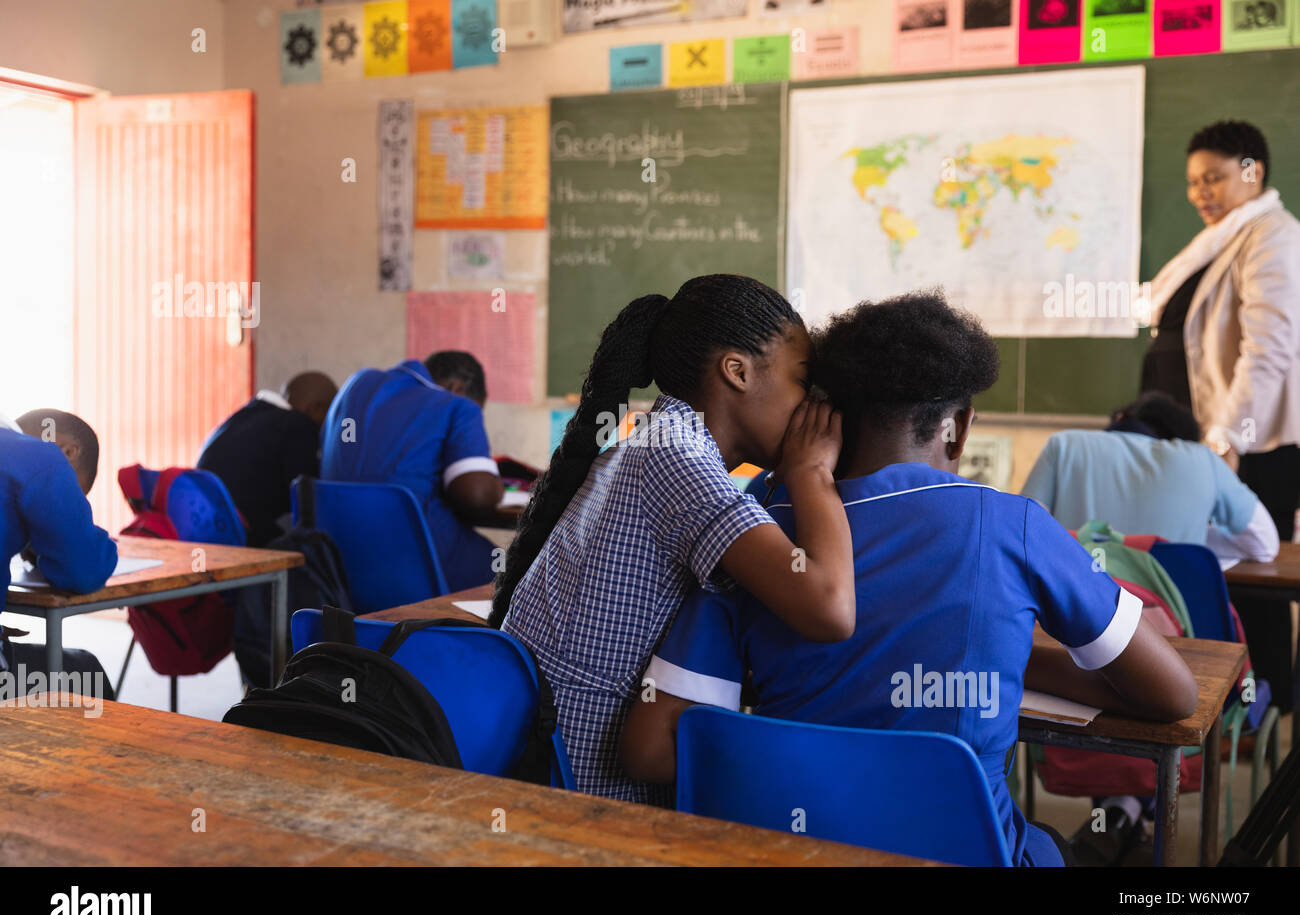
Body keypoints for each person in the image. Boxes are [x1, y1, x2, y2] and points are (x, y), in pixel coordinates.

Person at [620, 291, 1198, 865]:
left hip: (790, 851)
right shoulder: (1011, 524)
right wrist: (1004, 657)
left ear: (829, 417)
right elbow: (1173, 695)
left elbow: (651, 747)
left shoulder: (761, 534)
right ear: (960, 428)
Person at [490, 274, 856, 805]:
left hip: (549, 763)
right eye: (803, 381)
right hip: (585, 799)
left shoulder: (663, 439)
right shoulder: (677, 458)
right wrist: (812, 473)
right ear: (737, 371)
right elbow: (830, 607)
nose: (812, 407)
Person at [1140, 119, 1300, 712]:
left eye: (1213, 178)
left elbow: (1269, 349)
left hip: (1250, 445)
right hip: (1202, 443)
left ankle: (1264, 708)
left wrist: (1229, 437)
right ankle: (1226, 704)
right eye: (1192, 182)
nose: (1199, 193)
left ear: (1252, 172)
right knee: (1208, 573)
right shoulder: (1220, 240)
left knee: (1253, 582)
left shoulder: (1272, 235)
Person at [1021, 392, 1279, 565]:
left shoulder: (1064, 445)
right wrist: (1196, 539)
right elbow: (1264, 544)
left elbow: (1022, 533)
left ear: (1121, 418)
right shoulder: (1202, 459)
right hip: (1167, 626)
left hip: (1072, 621)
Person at [321, 350, 504, 592]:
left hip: (335, 565)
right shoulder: (459, 406)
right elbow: (476, 495)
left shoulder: (354, 387)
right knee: (504, 564)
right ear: (456, 388)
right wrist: (497, 488)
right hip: (413, 564)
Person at [0, 410, 119, 699]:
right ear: (68, 451)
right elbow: (84, 570)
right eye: (76, 495)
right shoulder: (40, 458)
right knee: (86, 673)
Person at [197, 372, 337, 547]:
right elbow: (307, 497)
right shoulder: (299, 425)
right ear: (316, 408)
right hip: (243, 537)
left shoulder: (244, 416)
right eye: (329, 415)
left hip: (203, 528)